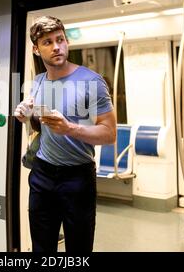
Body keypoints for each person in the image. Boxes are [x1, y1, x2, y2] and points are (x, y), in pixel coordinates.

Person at [14, 16, 116, 252]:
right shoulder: (38, 82)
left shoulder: (92, 81)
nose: (56, 46)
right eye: (47, 42)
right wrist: (25, 114)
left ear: (67, 42)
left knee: (78, 249)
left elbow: (109, 134)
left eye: (60, 40)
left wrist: (70, 128)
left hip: (77, 178)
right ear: (36, 50)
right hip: (42, 174)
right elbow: (39, 124)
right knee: (41, 247)